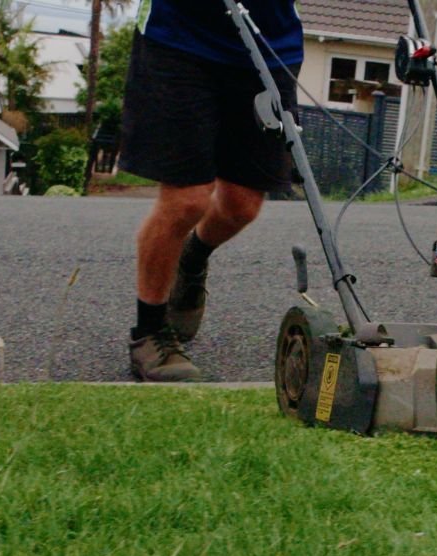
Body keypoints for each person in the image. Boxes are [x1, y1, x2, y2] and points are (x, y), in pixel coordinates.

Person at [118, 0, 303, 381]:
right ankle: (149, 333)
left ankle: (192, 257)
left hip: (267, 46)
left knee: (242, 206)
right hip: (179, 39)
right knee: (187, 200)